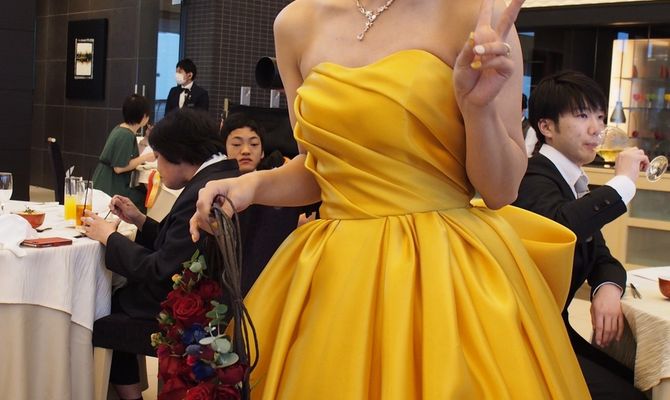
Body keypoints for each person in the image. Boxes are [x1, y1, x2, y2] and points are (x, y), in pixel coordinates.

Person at [190, 0, 591, 398]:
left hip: (445, 272)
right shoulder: (296, 23)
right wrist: (251, 186)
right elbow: (319, 167)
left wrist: (478, 109)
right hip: (337, 275)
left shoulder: (476, 13)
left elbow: (501, 190)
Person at [83, 108, 239, 400]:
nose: (156, 166)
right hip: (212, 292)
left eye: (158, 157)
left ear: (179, 155)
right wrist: (140, 220)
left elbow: (159, 268)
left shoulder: (203, 192)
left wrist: (108, 237)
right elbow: (178, 245)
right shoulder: (220, 176)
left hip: (183, 303)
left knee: (102, 306)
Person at [513, 70, 648, 400]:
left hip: (554, 331)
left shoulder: (571, 182)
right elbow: (562, 227)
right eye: (582, 115)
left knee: (638, 380)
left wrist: (606, 288)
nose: (596, 129)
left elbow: (602, 257)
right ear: (547, 127)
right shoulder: (532, 176)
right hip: (522, 337)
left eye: (600, 117)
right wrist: (623, 183)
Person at [221, 112, 314, 294]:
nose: (246, 150)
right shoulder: (218, 191)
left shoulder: (282, 190)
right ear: (224, 149)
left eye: (254, 144)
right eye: (237, 144)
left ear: (263, 151)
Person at [92, 94, 156, 212]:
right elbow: (119, 168)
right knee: (144, 199)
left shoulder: (122, 129)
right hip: (110, 186)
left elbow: (129, 155)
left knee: (142, 193)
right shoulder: (126, 135)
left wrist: (146, 140)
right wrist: (146, 157)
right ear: (143, 117)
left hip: (107, 181)